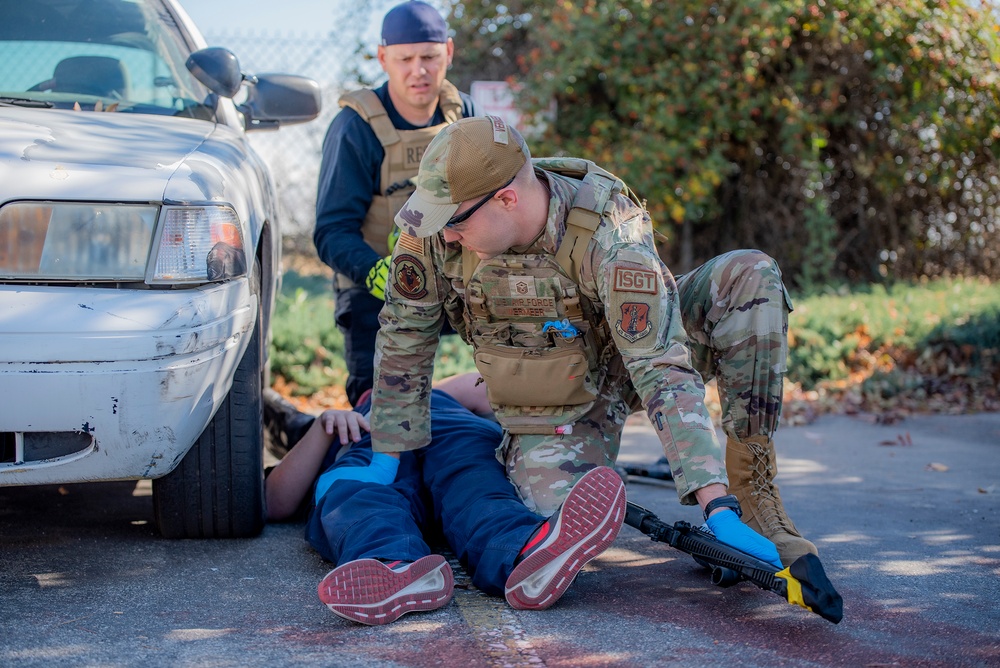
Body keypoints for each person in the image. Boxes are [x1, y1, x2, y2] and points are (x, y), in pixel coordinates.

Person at [370, 115, 818, 567]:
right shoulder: (437, 229)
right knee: (557, 528)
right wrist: (386, 461)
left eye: (454, 222)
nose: (445, 234)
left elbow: (659, 363)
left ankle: (752, 497)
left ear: (506, 199)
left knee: (749, 275)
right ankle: (585, 461)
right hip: (553, 398)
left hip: (630, 361)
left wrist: (716, 506)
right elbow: (405, 334)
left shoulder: (609, 231)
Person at [264, 373, 631, 625]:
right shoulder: (349, 419)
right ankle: (391, 566)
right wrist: (324, 426)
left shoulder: (440, 392)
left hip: (450, 430)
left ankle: (526, 553)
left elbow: (507, 392)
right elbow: (277, 500)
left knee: (472, 480)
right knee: (356, 491)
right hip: (371, 442)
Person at [312, 0, 479, 407]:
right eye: (405, 59)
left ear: (449, 53)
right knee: (381, 406)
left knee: (504, 378)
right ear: (384, 59)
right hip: (376, 289)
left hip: (456, 280)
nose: (418, 70)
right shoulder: (356, 127)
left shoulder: (464, 115)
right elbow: (331, 231)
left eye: (429, 57)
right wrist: (378, 274)